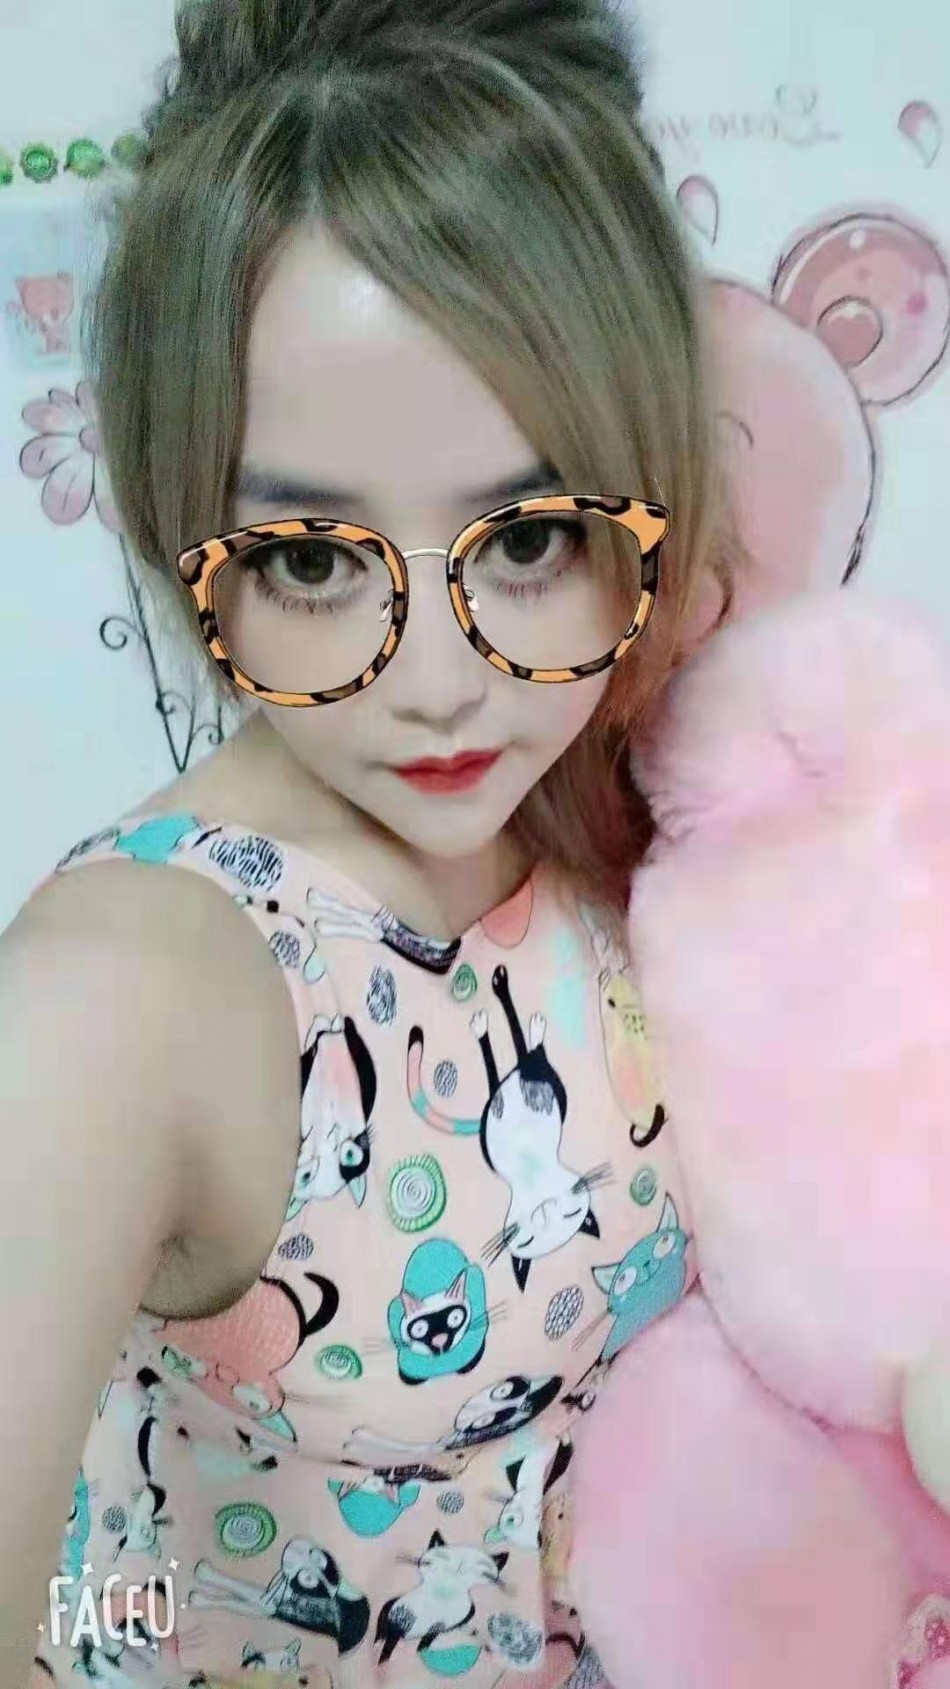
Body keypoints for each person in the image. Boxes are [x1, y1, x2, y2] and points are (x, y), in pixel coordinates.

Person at [1, 3, 739, 1685]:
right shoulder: (126, 994)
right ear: (184, 528)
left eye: (529, 537)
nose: (439, 682)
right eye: (314, 561)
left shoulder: (618, 793)